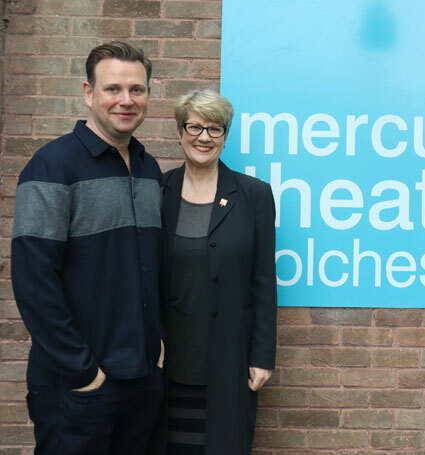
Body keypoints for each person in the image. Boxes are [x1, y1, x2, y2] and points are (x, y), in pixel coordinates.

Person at [11, 41, 165, 454]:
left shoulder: (150, 170)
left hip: (143, 382)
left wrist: (158, 345)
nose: (126, 100)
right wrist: (84, 372)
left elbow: (151, 268)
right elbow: (33, 282)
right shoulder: (52, 166)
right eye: (113, 88)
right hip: (78, 387)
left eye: (137, 89)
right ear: (88, 93)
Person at [160, 89, 277, 454]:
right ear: (180, 132)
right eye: (194, 127)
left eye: (215, 129)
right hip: (167, 357)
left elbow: (263, 281)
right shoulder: (158, 190)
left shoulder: (253, 194)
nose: (204, 138)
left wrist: (262, 356)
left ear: (225, 137)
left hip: (230, 355)